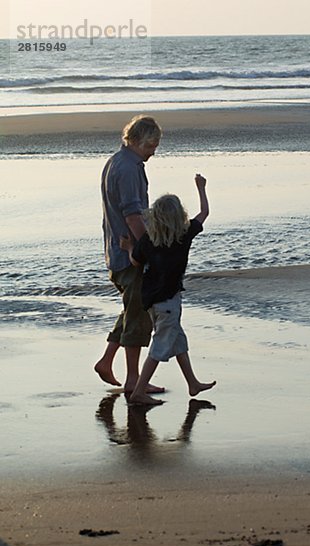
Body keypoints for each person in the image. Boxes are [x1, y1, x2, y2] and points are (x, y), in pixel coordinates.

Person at [123, 173, 216, 405]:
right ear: (179, 218)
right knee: (160, 346)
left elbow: (135, 261)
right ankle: (139, 392)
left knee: (177, 341)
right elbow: (204, 213)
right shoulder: (183, 236)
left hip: (153, 302)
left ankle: (192, 383)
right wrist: (201, 188)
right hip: (169, 302)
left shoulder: (148, 240)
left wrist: (127, 247)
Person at [94, 114, 164, 394]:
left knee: (131, 309)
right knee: (138, 317)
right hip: (129, 255)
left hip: (116, 251)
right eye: (151, 146)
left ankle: (106, 361)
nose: (154, 152)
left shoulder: (117, 162)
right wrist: (149, 249)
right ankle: (134, 381)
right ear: (137, 141)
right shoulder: (127, 169)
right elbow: (133, 215)